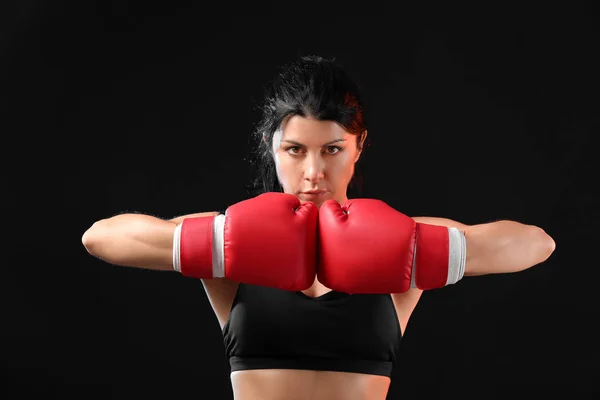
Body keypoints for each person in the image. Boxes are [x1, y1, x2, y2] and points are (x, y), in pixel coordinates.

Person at [81, 55, 556, 400]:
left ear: (358, 145)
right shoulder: (229, 239)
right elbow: (100, 237)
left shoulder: (403, 240)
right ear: (273, 147)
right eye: (295, 150)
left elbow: (537, 244)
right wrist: (218, 242)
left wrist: (416, 246)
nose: (313, 172)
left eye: (331, 149)